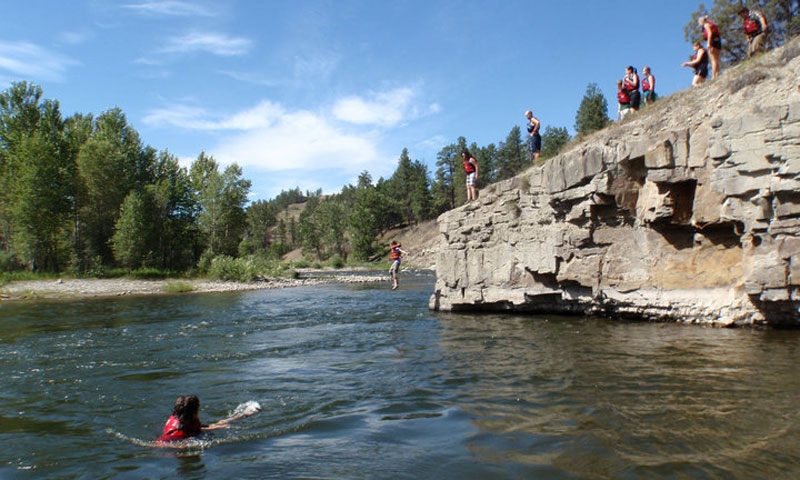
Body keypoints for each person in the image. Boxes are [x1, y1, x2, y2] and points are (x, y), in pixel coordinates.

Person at [156, 395, 257, 444]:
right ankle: (244, 414)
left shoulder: (180, 417)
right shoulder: (177, 433)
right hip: (184, 436)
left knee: (220, 424)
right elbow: (159, 444)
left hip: (191, 430)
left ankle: (243, 414)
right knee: (220, 426)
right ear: (194, 412)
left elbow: (196, 429)